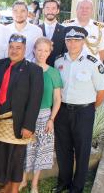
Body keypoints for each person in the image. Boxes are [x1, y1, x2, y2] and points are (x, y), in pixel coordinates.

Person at [53, 26, 104, 193]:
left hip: (84, 112)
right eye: (69, 40)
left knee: (82, 151)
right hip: (62, 111)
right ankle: (64, 182)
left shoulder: (93, 62)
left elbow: (103, 90)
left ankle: (77, 188)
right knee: (63, 149)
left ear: (83, 41)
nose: (72, 43)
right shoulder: (59, 61)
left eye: (76, 40)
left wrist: (90, 108)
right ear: (65, 42)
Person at [0, 34, 44, 193]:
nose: (14, 50)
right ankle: (6, 187)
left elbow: (35, 100)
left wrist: (28, 125)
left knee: (16, 159)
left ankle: (14, 190)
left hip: (18, 123)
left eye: (18, 48)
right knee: (1, 156)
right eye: (11, 47)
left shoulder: (34, 70)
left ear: (25, 49)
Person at [19, 37, 63, 193]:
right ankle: (23, 179)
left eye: (46, 50)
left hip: (45, 115)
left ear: (50, 52)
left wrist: (52, 119)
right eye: (39, 50)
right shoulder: (27, 69)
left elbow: (58, 99)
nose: (42, 53)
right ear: (34, 50)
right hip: (28, 115)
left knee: (41, 149)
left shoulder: (53, 73)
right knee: (26, 148)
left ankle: (35, 184)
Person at [38, 0, 67, 67]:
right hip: (37, 70)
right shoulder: (36, 29)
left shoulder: (65, 31)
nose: (50, 11)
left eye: (53, 8)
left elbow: (65, 53)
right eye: (47, 8)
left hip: (57, 71)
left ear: (58, 11)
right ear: (43, 10)